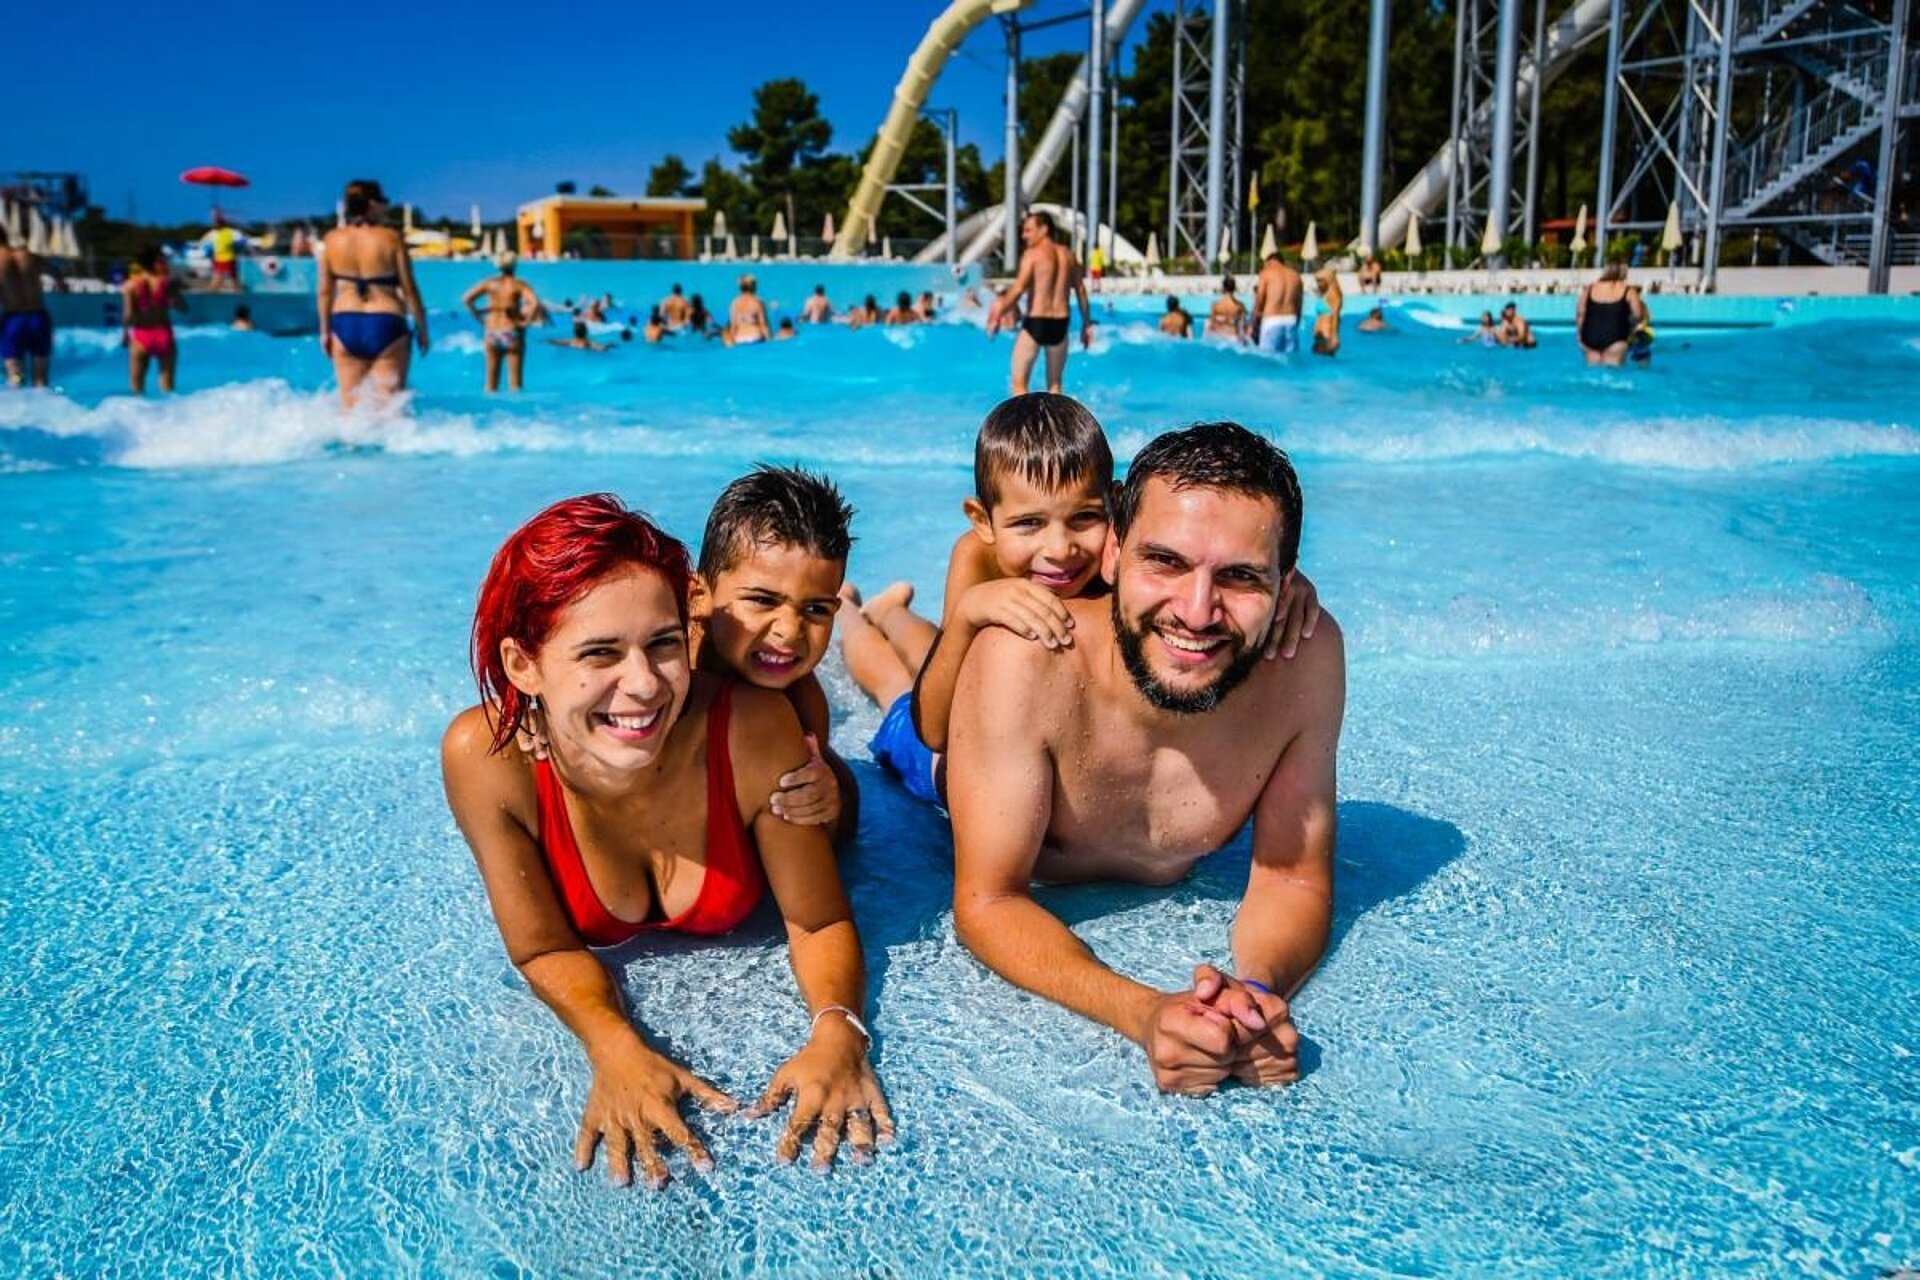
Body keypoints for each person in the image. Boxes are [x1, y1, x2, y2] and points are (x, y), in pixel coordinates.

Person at [441, 494, 892, 1188]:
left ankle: (862, 620)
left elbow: (818, 918)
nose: (644, 684)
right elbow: (541, 946)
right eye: (599, 652)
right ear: (523, 666)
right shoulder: (488, 760)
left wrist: (839, 1028)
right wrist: (612, 1044)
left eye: (662, 644)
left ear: (687, 629)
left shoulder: (761, 725)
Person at [946, 422, 1345, 1096]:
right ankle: (875, 625)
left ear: (1286, 584)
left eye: (1241, 577)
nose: (1197, 612)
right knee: (903, 703)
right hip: (943, 760)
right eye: (1164, 561)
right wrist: (1144, 1012)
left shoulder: (1304, 661)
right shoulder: (1025, 662)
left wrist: (1251, 999)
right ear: (1113, 553)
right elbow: (988, 900)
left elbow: (1291, 878)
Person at [840, 395, 1320, 809]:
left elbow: (1219, 556)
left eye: (1084, 518)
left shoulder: (1120, 557)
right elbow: (934, 730)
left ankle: (891, 611)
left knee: (933, 649)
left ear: (1116, 503)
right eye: (1029, 523)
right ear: (982, 521)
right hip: (941, 758)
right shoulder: (977, 556)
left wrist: (1287, 583)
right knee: (897, 688)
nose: (1060, 549)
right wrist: (968, 614)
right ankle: (857, 613)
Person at [694, 467, 863, 849]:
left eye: (817, 609)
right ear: (698, 598)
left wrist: (827, 804)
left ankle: (854, 608)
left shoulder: (801, 701)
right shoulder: (665, 664)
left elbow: (837, 818)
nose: (789, 631)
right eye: (762, 600)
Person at [318, 178, 429, 408]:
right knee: (391, 410)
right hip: (386, 321)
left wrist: (325, 332)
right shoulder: (391, 238)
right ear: (371, 204)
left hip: (345, 322)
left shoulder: (331, 239)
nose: (386, 206)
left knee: (349, 411)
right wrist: (422, 329)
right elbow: (409, 290)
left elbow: (325, 291)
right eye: (382, 202)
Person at [987, 210, 1094, 395]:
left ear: (1044, 229)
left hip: (1036, 321)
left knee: (1019, 385)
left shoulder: (1033, 254)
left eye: (1028, 230)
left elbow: (1019, 287)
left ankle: (1024, 416)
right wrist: (1086, 324)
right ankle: (1055, 416)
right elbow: (1081, 291)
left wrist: (998, 314)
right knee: (1055, 385)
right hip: (1061, 323)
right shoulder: (1068, 255)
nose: (1024, 235)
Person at [463, 252, 543, 392]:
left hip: (491, 332)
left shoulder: (489, 283)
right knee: (515, 385)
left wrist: (479, 318)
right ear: (514, 265)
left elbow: (466, 299)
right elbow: (535, 303)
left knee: (490, 386)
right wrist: (525, 323)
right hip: (510, 331)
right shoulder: (518, 284)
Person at [122, 247, 186, 395]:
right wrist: (174, 296)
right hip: (164, 334)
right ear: (155, 263)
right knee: (168, 390)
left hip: (141, 335)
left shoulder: (130, 286)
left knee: (136, 390)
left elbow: (128, 314)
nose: (166, 264)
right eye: (163, 261)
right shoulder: (167, 283)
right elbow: (183, 308)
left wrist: (125, 334)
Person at [0, 225, 55, 388]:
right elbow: (56, 271)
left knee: (16, 377)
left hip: (13, 320)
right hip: (39, 317)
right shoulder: (29, 255)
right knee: (41, 378)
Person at [1576, 262, 1648, 366]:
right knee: (1613, 372)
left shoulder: (1589, 289)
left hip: (1589, 336)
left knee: (1593, 371)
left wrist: (1579, 334)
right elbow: (1638, 315)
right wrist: (1630, 327)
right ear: (1623, 273)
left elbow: (1580, 313)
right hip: (1616, 335)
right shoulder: (1628, 291)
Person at [1251, 253, 1302, 353]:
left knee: (1267, 359)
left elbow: (1259, 300)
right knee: (1290, 359)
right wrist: (1295, 325)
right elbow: (1299, 305)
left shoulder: (1266, 273)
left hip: (1272, 321)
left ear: (1269, 262)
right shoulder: (1296, 276)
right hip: (1291, 321)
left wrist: (1252, 325)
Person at [727, 275, 771, 345]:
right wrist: (770, 341)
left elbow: (733, 327)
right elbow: (763, 325)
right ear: (752, 287)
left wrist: (732, 343)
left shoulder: (734, 303)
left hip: (739, 338)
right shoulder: (758, 301)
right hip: (755, 336)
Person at [1204, 275, 1248, 343]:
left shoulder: (1215, 305)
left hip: (1219, 337)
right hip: (1233, 337)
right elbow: (1244, 327)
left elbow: (1211, 326)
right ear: (1234, 288)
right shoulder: (1239, 306)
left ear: (1223, 288)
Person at [1310, 268, 1343, 357]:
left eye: (1321, 281)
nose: (1318, 284)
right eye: (1317, 281)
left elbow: (1336, 316)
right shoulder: (1324, 294)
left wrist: (1335, 336)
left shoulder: (1334, 295)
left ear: (1328, 280)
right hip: (1319, 335)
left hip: (1327, 335)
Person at [208, 213, 241, 292]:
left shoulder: (231, 232)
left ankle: (237, 291)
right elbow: (208, 245)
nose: (214, 224)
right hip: (218, 258)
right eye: (214, 223)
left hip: (229, 258)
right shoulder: (213, 233)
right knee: (218, 276)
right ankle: (212, 291)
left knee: (232, 277)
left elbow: (240, 241)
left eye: (216, 223)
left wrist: (234, 246)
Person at [548, 316, 613, 352]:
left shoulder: (569, 341)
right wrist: (608, 346)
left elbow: (553, 342)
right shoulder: (588, 343)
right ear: (586, 332)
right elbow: (601, 348)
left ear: (574, 333)